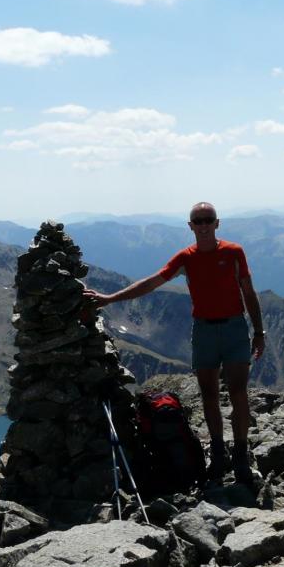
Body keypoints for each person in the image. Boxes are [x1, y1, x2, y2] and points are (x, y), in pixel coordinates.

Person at [83, 201, 265, 485]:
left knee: (239, 393)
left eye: (208, 220)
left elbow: (249, 292)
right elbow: (151, 282)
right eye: (198, 221)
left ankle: (240, 457)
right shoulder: (185, 257)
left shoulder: (233, 252)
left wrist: (260, 332)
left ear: (217, 223)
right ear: (190, 226)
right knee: (209, 396)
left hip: (234, 328)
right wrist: (110, 299)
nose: (203, 225)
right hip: (204, 330)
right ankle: (218, 455)